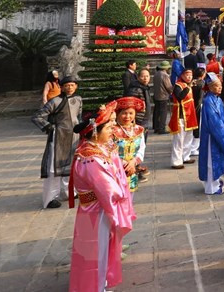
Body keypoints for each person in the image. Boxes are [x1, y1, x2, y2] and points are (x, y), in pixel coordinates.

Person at [68, 102, 136, 292]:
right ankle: (94, 287)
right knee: (95, 251)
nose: (112, 130)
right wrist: (122, 195)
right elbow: (108, 189)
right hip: (96, 211)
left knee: (99, 249)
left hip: (96, 209)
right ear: (95, 131)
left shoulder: (98, 149)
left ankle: (98, 283)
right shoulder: (92, 158)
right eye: (108, 126)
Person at [31, 76, 83, 208]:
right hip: (59, 137)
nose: (69, 87)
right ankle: (49, 199)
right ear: (62, 87)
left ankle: (68, 192)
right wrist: (50, 127)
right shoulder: (55, 101)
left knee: (71, 166)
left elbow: (79, 117)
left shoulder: (78, 100)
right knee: (54, 168)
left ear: (76, 86)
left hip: (74, 137)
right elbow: (37, 116)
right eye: (67, 85)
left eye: (72, 85)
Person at [199, 74, 224, 194]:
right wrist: (223, 136)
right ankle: (211, 188)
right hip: (212, 136)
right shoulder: (208, 101)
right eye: (217, 86)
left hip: (218, 134)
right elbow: (214, 122)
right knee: (211, 161)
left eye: (220, 86)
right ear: (210, 87)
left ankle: (215, 183)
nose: (220, 88)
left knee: (216, 161)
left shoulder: (217, 99)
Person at [113, 96, 147, 195]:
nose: (128, 117)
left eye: (131, 113)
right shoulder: (112, 131)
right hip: (116, 170)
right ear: (118, 114)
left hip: (132, 170)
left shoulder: (139, 129)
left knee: (130, 198)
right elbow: (110, 152)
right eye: (124, 113)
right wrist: (123, 164)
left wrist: (133, 162)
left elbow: (141, 148)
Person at [169, 68, 198, 169]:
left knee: (188, 138)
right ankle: (176, 161)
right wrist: (188, 87)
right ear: (182, 76)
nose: (189, 77)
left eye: (191, 75)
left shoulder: (188, 86)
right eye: (187, 75)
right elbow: (180, 97)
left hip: (189, 116)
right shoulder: (178, 86)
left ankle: (186, 156)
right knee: (179, 140)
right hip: (180, 116)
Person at [152, 60, 172, 134]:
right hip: (163, 96)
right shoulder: (165, 75)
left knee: (157, 112)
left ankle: (156, 127)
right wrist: (172, 91)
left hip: (156, 95)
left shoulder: (156, 74)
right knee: (163, 113)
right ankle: (161, 128)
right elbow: (168, 87)